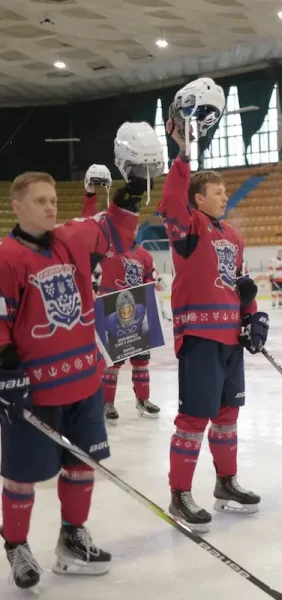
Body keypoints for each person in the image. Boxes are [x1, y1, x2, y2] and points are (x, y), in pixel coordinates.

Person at [0, 123, 153, 588]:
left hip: (84, 380)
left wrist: (130, 195)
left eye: (53, 199)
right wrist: (7, 371)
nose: (50, 206)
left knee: (81, 465)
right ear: (17, 206)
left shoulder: (71, 237)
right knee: (21, 476)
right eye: (40, 201)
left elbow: (115, 232)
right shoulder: (6, 256)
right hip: (35, 389)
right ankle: (17, 546)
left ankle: (72, 537)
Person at [159, 78, 267, 531]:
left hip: (228, 339)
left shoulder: (234, 236)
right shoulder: (187, 229)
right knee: (194, 417)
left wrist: (253, 316)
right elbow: (169, 201)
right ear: (198, 199)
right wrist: (183, 155)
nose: (225, 195)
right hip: (200, 338)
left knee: (228, 415)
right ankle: (180, 493)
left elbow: (240, 284)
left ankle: (226, 481)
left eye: (226, 191)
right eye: (217, 191)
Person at [80, 165, 161, 424]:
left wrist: (152, 285)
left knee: (141, 362)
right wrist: (90, 194)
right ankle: (107, 404)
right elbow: (89, 222)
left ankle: (143, 400)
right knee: (112, 364)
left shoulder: (145, 255)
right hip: (112, 309)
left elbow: (149, 276)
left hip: (138, 312)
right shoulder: (108, 246)